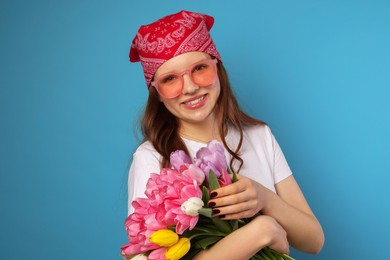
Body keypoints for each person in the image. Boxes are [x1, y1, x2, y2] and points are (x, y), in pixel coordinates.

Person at [127, 10, 324, 259]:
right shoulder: (151, 158)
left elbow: (314, 241)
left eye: (200, 68)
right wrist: (263, 231)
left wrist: (265, 199)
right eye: (170, 79)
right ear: (156, 91)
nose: (190, 87)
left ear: (218, 67)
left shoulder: (259, 136)